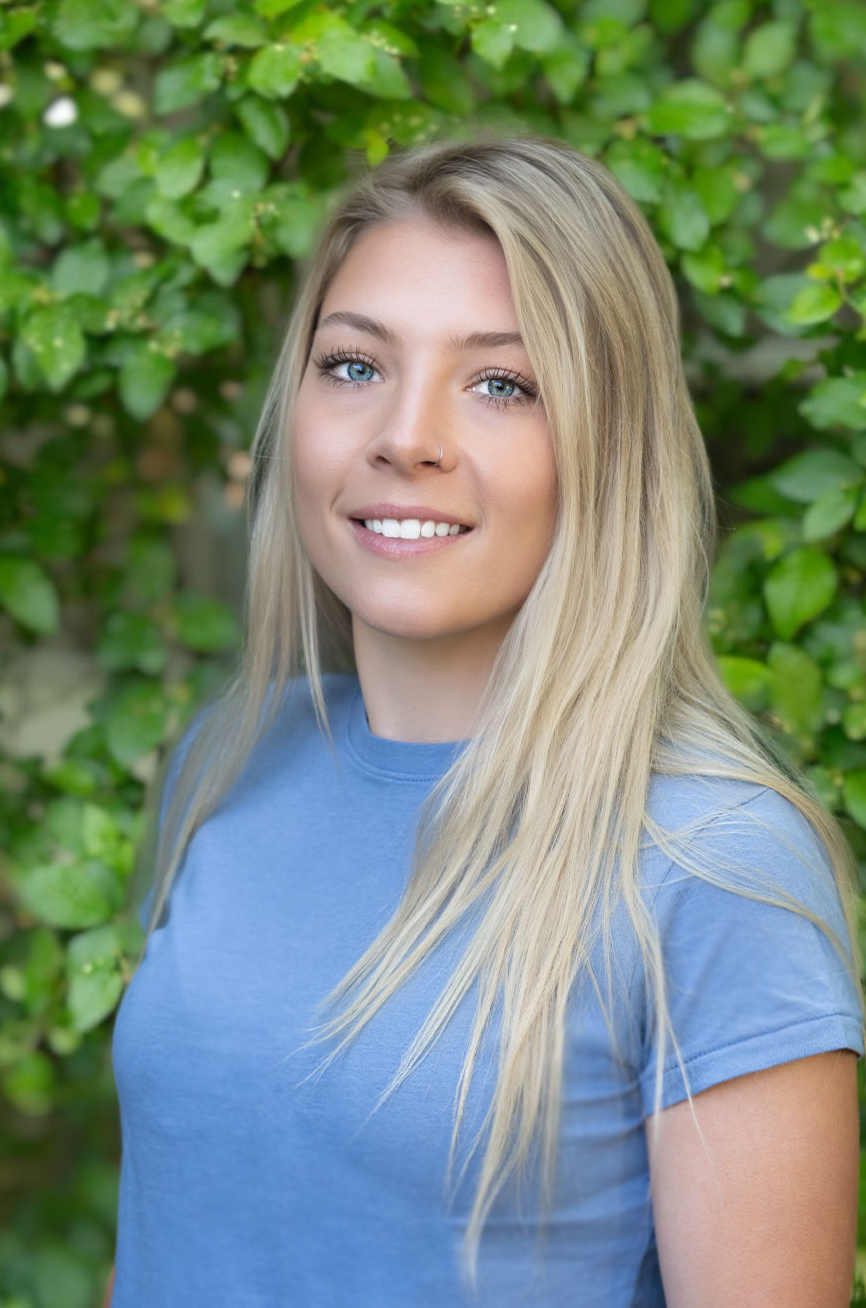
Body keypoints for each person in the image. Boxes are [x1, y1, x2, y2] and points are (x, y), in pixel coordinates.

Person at [106, 133, 865, 1307]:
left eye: (502, 384)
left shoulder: (708, 866)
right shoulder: (230, 759)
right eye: (354, 365)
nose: (405, 436)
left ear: (607, 449)